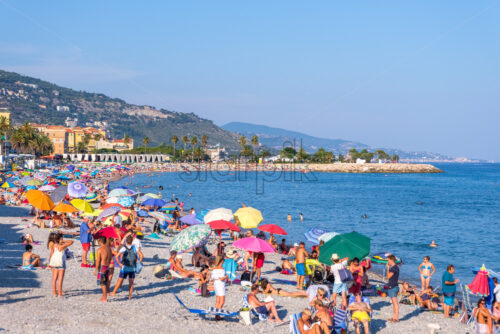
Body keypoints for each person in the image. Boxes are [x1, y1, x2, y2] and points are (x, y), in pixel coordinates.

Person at [110, 235, 143, 300]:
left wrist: (120, 263)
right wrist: (138, 262)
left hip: (124, 267)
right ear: (132, 241)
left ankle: (114, 292)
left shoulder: (123, 248)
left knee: (120, 280)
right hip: (132, 267)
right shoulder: (135, 248)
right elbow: (141, 255)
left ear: (126, 241)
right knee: (131, 282)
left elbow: (117, 257)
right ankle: (130, 296)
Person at [94, 236, 112, 302]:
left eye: (98, 241)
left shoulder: (100, 249)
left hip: (102, 267)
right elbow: (110, 257)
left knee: (102, 283)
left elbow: (98, 260)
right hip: (107, 266)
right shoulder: (109, 248)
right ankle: (104, 296)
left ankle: (105, 297)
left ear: (100, 241)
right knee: (105, 281)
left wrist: (96, 269)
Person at [386, 255, 400, 322]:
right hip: (393, 286)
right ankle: (394, 317)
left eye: (388, 260)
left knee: (395, 302)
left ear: (391, 260)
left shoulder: (394, 268)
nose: (387, 261)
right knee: (394, 302)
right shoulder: (395, 267)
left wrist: (388, 268)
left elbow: (388, 277)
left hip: (393, 286)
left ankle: (396, 318)